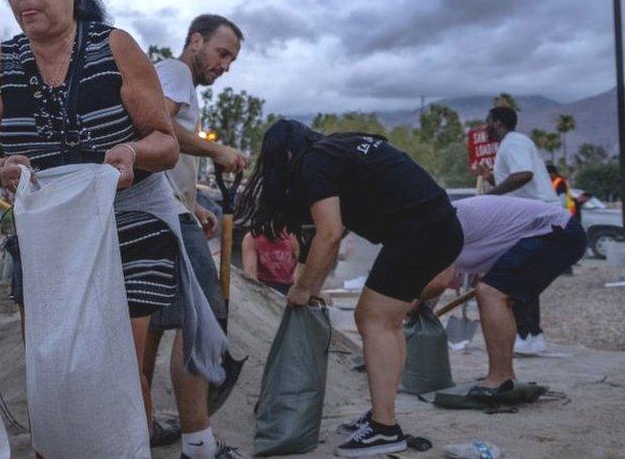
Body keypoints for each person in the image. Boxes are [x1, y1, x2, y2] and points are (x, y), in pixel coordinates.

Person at [0, 0, 226, 454]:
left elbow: (165, 141)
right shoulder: (0, 65)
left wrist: (131, 152)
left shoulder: (115, 47)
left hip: (129, 225)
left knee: (119, 373)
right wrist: (2, 169)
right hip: (47, 238)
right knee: (54, 370)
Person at [237, 120, 462, 457]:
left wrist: (301, 290)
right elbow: (330, 235)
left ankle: (385, 429)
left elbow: (329, 234)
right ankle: (381, 417)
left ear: (283, 152)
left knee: (373, 319)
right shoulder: (334, 151)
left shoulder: (313, 163)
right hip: (434, 226)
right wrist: (312, 280)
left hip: (420, 232)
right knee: (386, 321)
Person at [140, 14, 247, 458]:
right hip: (163, 218)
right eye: (222, 53)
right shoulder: (175, 72)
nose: (225, 66)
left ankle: (140, 425)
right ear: (195, 40)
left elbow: (157, 148)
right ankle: (199, 445)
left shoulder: (170, 77)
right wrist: (218, 149)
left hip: (159, 210)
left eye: (232, 60)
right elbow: (159, 127)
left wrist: (193, 201)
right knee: (199, 322)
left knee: (148, 326)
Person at [419, 195, 586, 396]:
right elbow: (430, 284)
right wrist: (419, 314)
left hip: (554, 231)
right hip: (551, 232)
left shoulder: (436, 226)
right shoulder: (432, 225)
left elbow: (438, 282)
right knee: (492, 292)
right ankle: (504, 377)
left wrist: (407, 304)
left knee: (491, 293)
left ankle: (501, 379)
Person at [478, 106, 559, 355]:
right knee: (524, 277)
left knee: (514, 275)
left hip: (535, 217)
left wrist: (490, 196)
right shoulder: (514, 143)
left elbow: (523, 175)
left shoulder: (512, 143)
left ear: (499, 123)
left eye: (488, 122)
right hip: (534, 216)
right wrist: (491, 177)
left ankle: (526, 334)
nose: (485, 127)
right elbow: (517, 178)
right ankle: (532, 335)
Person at [241, 230, 300, 295]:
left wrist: (296, 288)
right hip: (265, 284)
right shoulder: (252, 238)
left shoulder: (291, 236)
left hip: (289, 285)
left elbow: (300, 263)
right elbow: (251, 274)